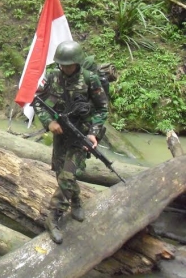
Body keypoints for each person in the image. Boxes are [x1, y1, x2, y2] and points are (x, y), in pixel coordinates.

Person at [33, 41, 108, 245]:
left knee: (67, 176)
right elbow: (37, 100)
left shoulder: (89, 79)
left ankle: (53, 216)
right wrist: (50, 122)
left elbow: (102, 110)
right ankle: (75, 200)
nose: (65, 68)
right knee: (61, 175)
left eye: (69, 64)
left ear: (77, 62)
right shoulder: (52, 77)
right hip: (60, 135)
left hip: (80, 136)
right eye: (62, 64)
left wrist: (94, 134)